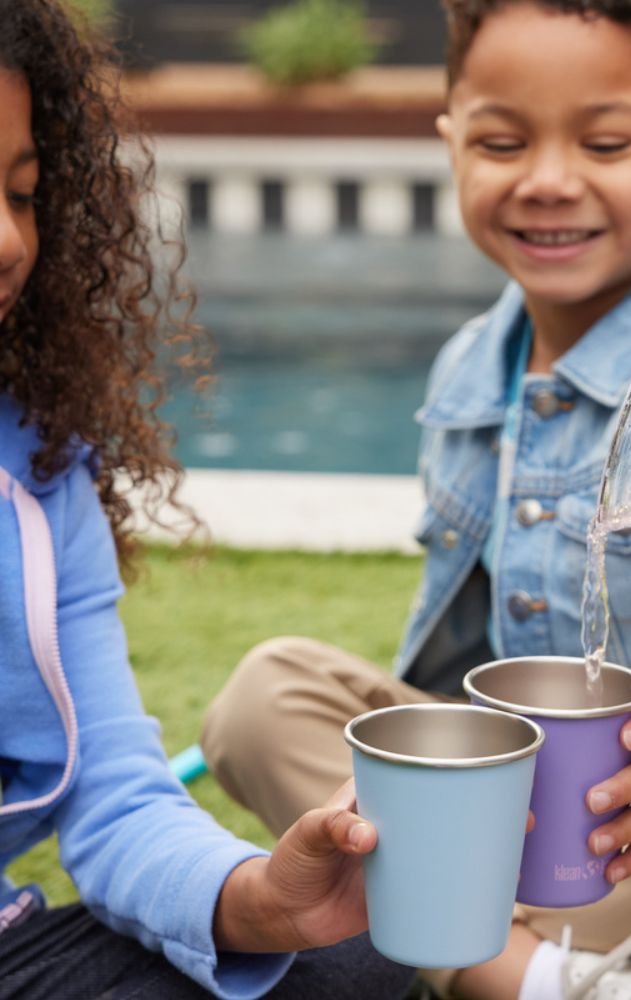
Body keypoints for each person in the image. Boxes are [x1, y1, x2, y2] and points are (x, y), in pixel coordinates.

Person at [203, 2, 631, 998]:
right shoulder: (469, 366)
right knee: (264, 698)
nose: (548, 179)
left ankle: (456, 931)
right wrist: (437, 785)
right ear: (452, 147)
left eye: (604, 143)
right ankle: (542, 973)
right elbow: (456, 674)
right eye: (502, 142)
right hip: (524, 819)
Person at [0, 3, 416, 997]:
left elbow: (114, 802)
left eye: (21, 193)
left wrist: (264, 900)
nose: (8, 240)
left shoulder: (42, 469)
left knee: (349, 959)